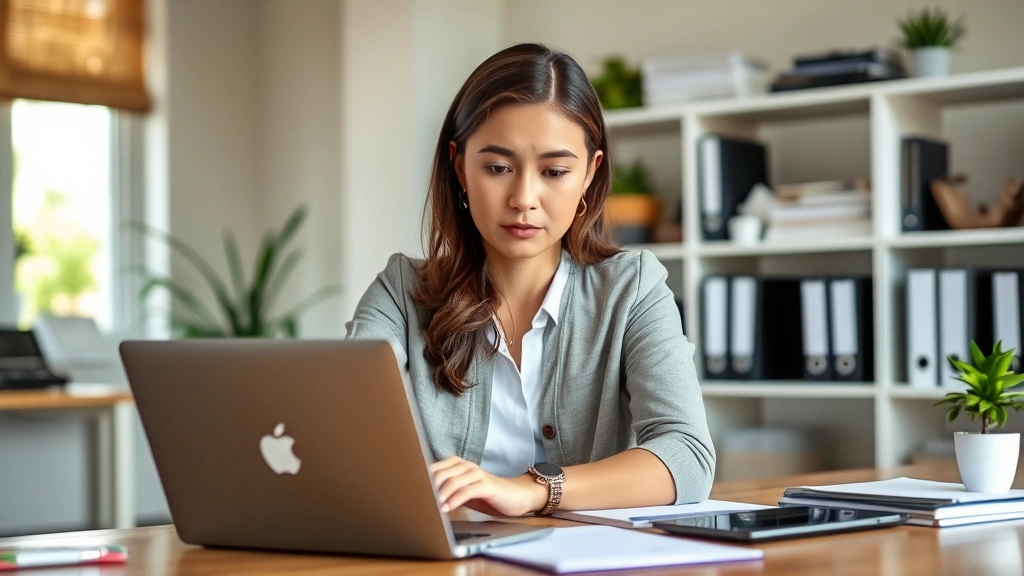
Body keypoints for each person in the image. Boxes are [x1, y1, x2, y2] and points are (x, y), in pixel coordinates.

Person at [346, 43, 714, 518]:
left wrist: (536, 488)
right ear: (460, 167)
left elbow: (688, 455)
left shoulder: (632, 289)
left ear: (589, 173)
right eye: (497, 168)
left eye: (555, 171)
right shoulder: (401, 291)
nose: (524, 198)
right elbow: (345, 430)